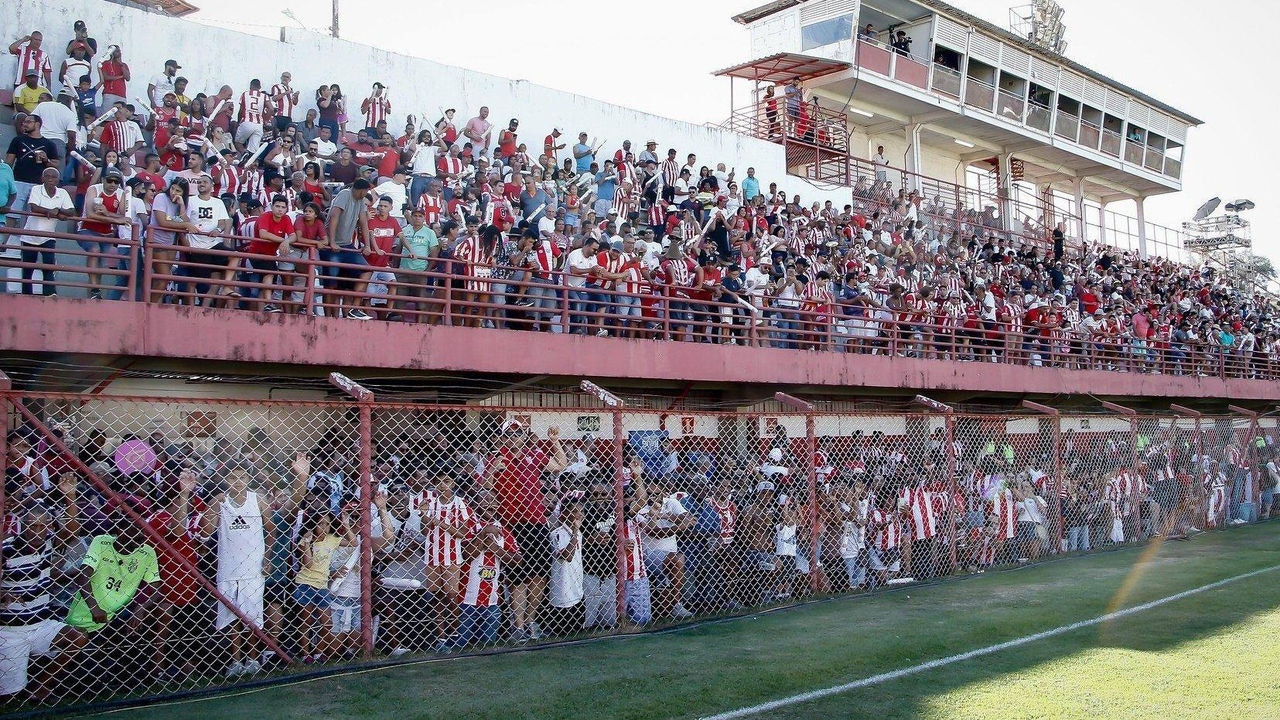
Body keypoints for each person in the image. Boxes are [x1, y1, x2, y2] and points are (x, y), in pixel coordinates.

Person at [0, 478, 89, 702]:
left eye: (42, 526)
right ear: (23, 524)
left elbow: (71, 530)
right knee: (9, 697)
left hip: (40, 624)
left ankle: (40, 686)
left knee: (76, 637)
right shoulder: (7, 549)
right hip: (11, 629)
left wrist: (70, 497)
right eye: (32, 525)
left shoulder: (48, 544)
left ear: (49, 525)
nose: (37, 531)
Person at [201, 462, 273, 678]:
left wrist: (267, 558)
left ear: (248, 479)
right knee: (232, 616)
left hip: (252, 568)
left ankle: (252, 658)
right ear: (226, 480)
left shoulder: (258, 500)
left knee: (251, 616)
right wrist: (213, 504)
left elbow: (271, 531)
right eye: (233, 478)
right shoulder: (221, 501)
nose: (238, 482)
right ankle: (235, 660)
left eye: (241, 477)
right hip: (229, 568)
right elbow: (206, 531)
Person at [65, 497, 161, 634]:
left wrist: (141, 608)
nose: (142, 534)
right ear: (121, 530)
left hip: (119, 614)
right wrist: (94, 607)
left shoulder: (147, 552)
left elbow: (156, 588)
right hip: (87, 614)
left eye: (143, 528)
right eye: (136, 529)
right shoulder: (101, 542)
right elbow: (83, 575)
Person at [457, 491, 520, 647]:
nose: (488, 503)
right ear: (475, 504)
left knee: (488, 646)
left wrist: (495, 549)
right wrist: (483, 534)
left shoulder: (502, 530)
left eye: (492, 500)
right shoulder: (469, 525)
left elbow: (518, 560)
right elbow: (466, 555)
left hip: (492, 601)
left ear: (498, 506)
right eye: (483, 499)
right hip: (465, 599)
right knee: (459, 645)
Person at [17, 167, 74, 296]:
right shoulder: (36, 189)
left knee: (49, 266)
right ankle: (27, 295)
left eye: (53, 177)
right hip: (30, 235)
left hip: (48, 237)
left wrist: (58, 211)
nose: (50, 179)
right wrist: (51, 212)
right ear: (42, 178)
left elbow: (71, 211)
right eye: (47, 176)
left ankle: (49, 294)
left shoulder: (62, 193)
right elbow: (34, 207)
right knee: (28, 268)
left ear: (58, 180)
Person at [547, 499, 585, 635]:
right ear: (565, 513)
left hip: (577, 590)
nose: (579, 514)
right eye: (574, 511)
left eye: (581, 511)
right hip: (562, 594)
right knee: (562, 635)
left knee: (578, 634)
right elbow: (567, 556)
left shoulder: (579, 533)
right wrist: (574, 531)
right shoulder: (557, 534)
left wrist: (576, 531)